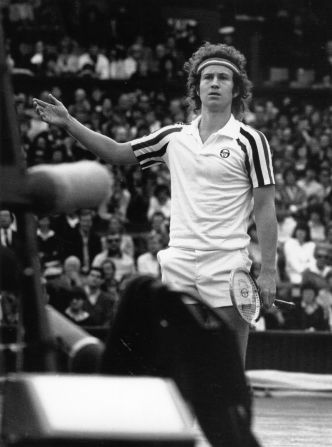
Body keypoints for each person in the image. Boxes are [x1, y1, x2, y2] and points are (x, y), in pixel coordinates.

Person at [33, 42, 278, 364]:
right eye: (207, 77)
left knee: (228, 366)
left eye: (223, 77)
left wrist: (269, 271)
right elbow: (117, 153)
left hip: (227, 264)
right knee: (179, 363)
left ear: (237, 89)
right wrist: (70, 124)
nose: (215, 83)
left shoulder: (251, 141)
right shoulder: (172, 137)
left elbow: (264, 207)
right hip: (178, 261)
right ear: (197, 87)